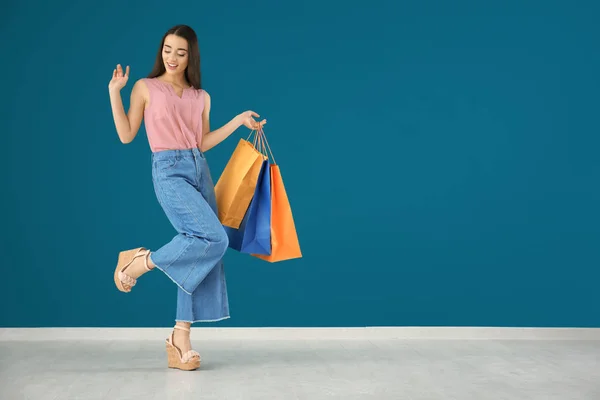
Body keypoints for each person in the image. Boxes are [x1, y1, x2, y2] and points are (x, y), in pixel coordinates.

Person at [108, 24, 266, 371]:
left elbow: (202, 141)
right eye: (167, 49)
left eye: (181, 52)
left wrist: (238, 121)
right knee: (212, 238)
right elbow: (126, 134)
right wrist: (114, 92)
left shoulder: (200, 96)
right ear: (160, 51)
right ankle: (140, 261)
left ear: (190, 55)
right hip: (168, 169)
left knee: (201, 250)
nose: (173, 57)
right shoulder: (145, 88)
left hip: (199, 169)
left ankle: (181, 339)